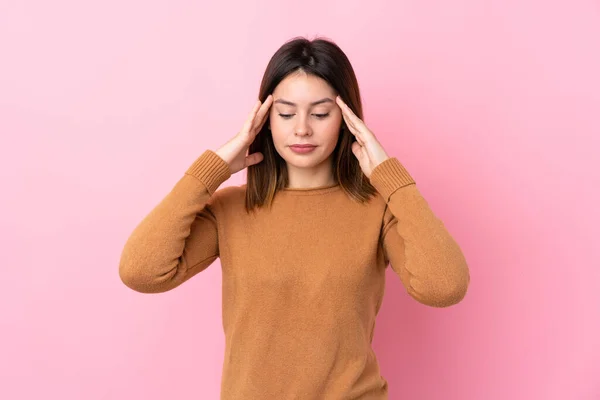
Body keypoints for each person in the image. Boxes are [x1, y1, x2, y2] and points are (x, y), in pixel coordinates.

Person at [119, 36, 470, 399]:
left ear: (347, 120)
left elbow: (444, 286)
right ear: (264, 121)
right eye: (286, 113)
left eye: (320, 113)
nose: (302, 128)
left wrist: (390, 179)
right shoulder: (230, 210)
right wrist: (212, 170)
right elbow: (141, 271)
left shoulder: (379, 210)